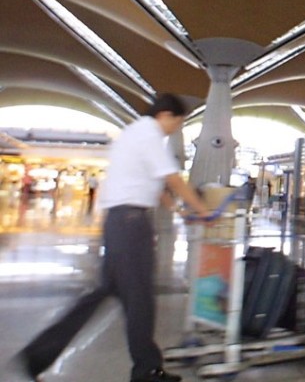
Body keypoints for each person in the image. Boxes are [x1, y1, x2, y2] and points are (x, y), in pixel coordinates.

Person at [13, 93, 212, 382]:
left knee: (110, 293)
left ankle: (38, 356)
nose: (175, 129)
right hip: (131, 224)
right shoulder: (149, 134)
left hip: (120, 222)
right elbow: (172, 178)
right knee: (140, 298)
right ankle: (146, 370)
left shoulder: (133, 134)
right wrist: (202, 210)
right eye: (177, 123)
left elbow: (155, 183)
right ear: (165, 115)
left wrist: (178, 209)